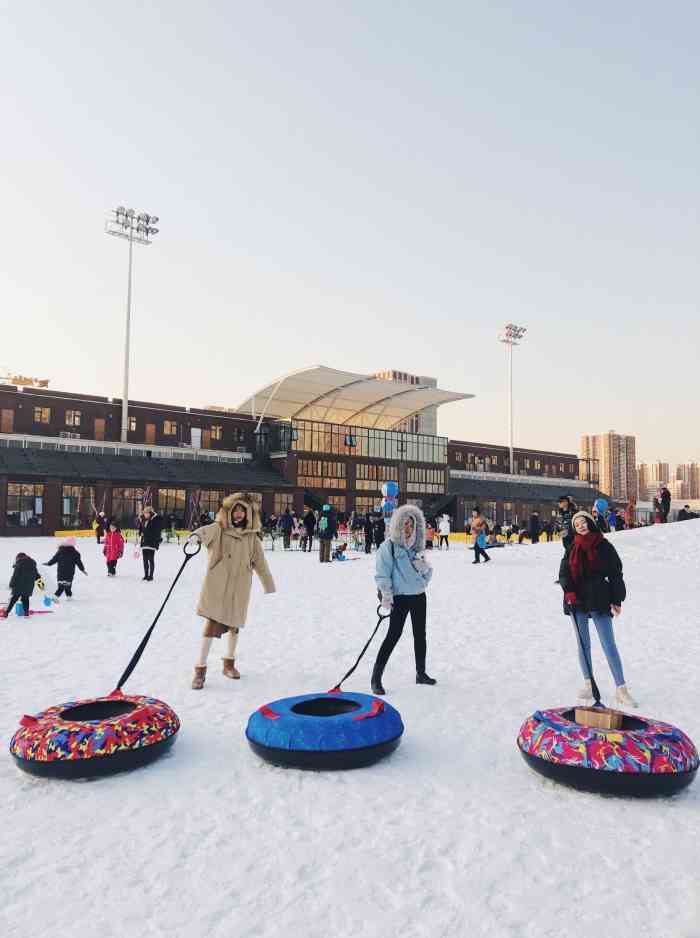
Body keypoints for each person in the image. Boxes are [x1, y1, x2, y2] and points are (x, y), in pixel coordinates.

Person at [190, 493, 275, 689]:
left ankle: (229, 663)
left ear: (247, 514)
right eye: (235, 510)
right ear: (229, 512)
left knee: (234, 626)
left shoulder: (251, 537)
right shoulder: (219, 529)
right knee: (211, 626)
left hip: (239, 586)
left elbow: (260, 562)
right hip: (218, 585)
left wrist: (268, 584)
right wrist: (194, 537)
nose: (238, 514)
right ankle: (200, 670)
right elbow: (204, 532)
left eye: (242, 511)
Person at [558, 510, 636, 707]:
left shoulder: (603, 545)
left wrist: (617, 599)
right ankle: (588, 683)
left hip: (599, 596)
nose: (581, 526)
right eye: (577, 525)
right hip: (577, 598)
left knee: (608, 643)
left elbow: (616, 572)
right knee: (583, 644)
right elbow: (564, 572)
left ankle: (621, 688)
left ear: (591, 523)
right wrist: (569, 591)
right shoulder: (572, 547)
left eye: (584, 522)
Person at [371, 504, 436, 695]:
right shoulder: (388, 547)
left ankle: (421, 673)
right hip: (399, 598)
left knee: (420, 635)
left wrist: (424, 569)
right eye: (405, 524)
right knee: (393, 635)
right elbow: (382, 575)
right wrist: (386, 595)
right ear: (397, 525)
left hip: (418, 596)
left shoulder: (417, 547)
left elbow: (427, 575)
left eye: (411, 524)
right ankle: (376, 677)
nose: (408, 528)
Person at [1, 553, 41, 618]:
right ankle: (26, 614)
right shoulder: (33, 565)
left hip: (18, 585)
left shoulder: (19, 563)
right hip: (29, 586)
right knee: (25, 599)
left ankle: (6, 613)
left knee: (13, 599)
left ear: (19, 557)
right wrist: (41, 585)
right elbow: (37, 576)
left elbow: (15, 576)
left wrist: (11, 584)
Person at [138, 506, 163, 581]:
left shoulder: (155, 520)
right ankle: (146, 575)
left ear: (150, 513)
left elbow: (155, 531)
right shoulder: (143, 520)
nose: (145, 514)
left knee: (150, 559)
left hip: (151, 542)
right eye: (144, 513)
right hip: (144, 542)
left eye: (146, 513)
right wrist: (140, 533)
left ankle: (151, 576)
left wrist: (145, 533)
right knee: (145, 560)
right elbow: (141, 529)